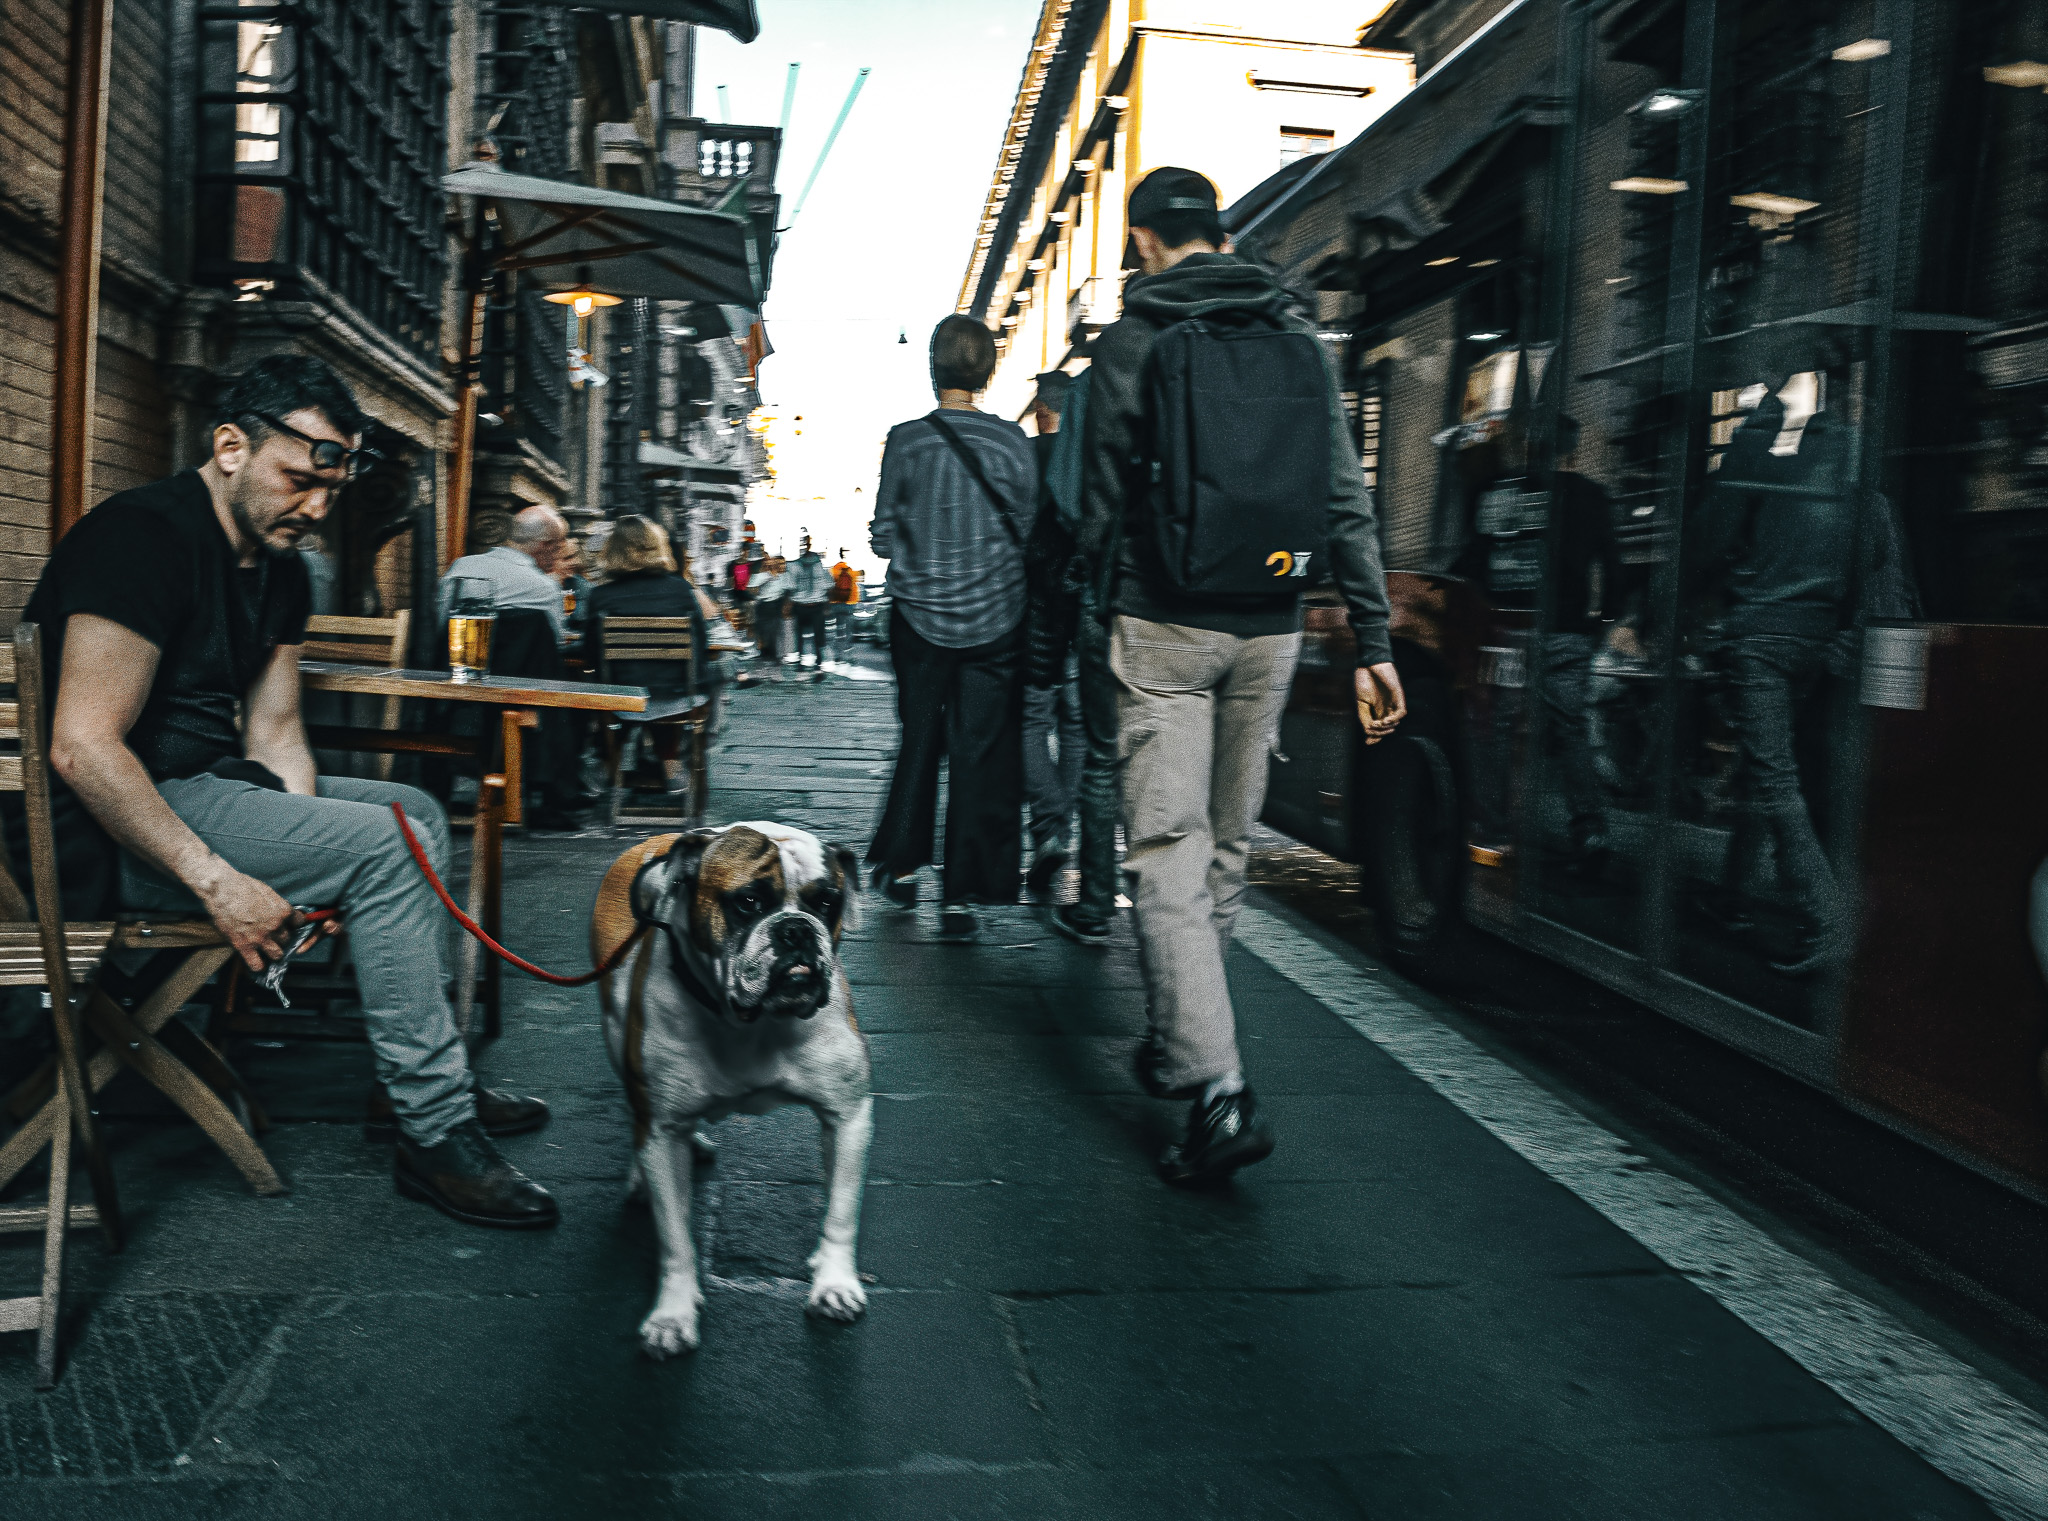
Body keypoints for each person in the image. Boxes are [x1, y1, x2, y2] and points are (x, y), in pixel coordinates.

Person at [15, 354, 557, 1227]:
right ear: (231, 446)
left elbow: (275, 731)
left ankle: (411, 1079)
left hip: (198, 790)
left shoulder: (281, 569)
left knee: (409, 815)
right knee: (383, 842)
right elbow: (82, 748)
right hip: (93, 831)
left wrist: (316, 853)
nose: (314, 509)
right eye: (298, 480)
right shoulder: (143, 533)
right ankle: (434, 1127)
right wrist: (222, 881)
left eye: (329, 491)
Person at [1077, 168, 1404, 1184]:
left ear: (1142, 242)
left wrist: (1095, 620)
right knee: (1223, 847)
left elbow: (1096, 504)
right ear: (1218, 234)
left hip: (1161, 619)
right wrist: (1373, 637)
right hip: (1269, 626)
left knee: (1165, 853)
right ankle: (1188, 1035)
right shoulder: (1300, 341)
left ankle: (1218, 1092)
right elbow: (1343, 495)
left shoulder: (1131, 341)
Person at [867, 314, 1038, 941]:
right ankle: (965, 892)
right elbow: (1030, 524)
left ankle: (902, 869)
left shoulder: (906, 441)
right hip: (998, 617)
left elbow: (883, 535)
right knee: (978, 751)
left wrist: (918, 544)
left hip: (919, 617)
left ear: (933, 368)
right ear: (987, 371)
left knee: (919, 741)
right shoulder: (1014, 443)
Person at [438, 505, 596, 829]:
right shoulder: (540, 586)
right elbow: (552, 648)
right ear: (545, 546)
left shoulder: (460, 568)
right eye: (559, 546)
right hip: (516, 698)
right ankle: (552, 792)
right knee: (569, 699)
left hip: (452, 688)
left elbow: (440, 627)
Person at [585, 516, 718, 795]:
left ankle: (608, 763)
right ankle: (671, 765)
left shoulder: (601, 595)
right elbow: (702, 644)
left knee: (620, 692)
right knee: (665, 689)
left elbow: (591, 654)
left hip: (621, 701)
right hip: (680, 698)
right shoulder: (681, 589)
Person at [1020, 370, 1086, 898]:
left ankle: (1049, 829)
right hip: (1085, 614)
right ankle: (1059, 831)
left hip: (1038, 614)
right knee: (1078, 726)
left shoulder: (1027, 458)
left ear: (1042, 408)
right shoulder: (1094, 461)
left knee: (1031, 722)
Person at [784, 535, 833, 676]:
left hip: (803, 605)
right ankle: (816, 663)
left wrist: (788, 604)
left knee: (802, 635)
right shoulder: (820, 567)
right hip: (812, 605)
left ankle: (806, 662)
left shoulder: (794, 566)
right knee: (816, 636)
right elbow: (828, 587)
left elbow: (790, 587)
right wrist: (827, 605)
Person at [751, 554, 790, 680]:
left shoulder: (783, 577)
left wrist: (786, 607)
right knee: (762, 638)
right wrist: (766, 576)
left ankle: (775, 669)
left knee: (773, 637)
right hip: (762, 607)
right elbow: (751, 588)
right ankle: (763, 666)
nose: (775, 565)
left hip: (775, 607)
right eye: (773, 563)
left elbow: (788, 591)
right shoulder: (762, 575)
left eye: (777, 563)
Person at [826, 547, 862, 667]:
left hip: (835, 604)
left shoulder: (833, 571)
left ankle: (838, 656)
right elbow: (857, 583)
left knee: (837, 631)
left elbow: (828, 588)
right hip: (849, 605)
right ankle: (849, 656)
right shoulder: (851, 571)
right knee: (848, 631)